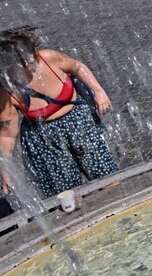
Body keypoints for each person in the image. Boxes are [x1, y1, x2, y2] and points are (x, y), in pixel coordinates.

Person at [0, 30, 118, 198]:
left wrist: (98, 91)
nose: (30, 60)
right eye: (22, 59)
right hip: (43, 138)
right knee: (67, 196)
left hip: (80, 123)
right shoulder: (7, 90)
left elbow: (78, 67)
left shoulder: (48, 58)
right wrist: (6, 169)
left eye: (29, 53)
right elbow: (7, 136)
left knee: (108, 179)